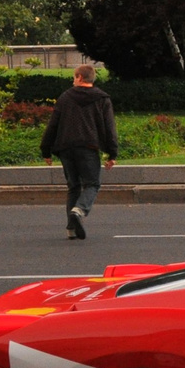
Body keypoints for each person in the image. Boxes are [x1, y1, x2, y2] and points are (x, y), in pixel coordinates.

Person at [41, 64, 118, 240]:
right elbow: (108, 128)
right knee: (92, 184)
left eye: (74, 77)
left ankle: (71, 228)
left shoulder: (65, 97)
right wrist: (112, 153)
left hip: (66, 148)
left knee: (73, 186)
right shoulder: (102, 99)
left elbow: (53, 125)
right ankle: (80, 210)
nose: (73, 80)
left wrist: (46, 150)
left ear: (80, 78)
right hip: (88, 148)